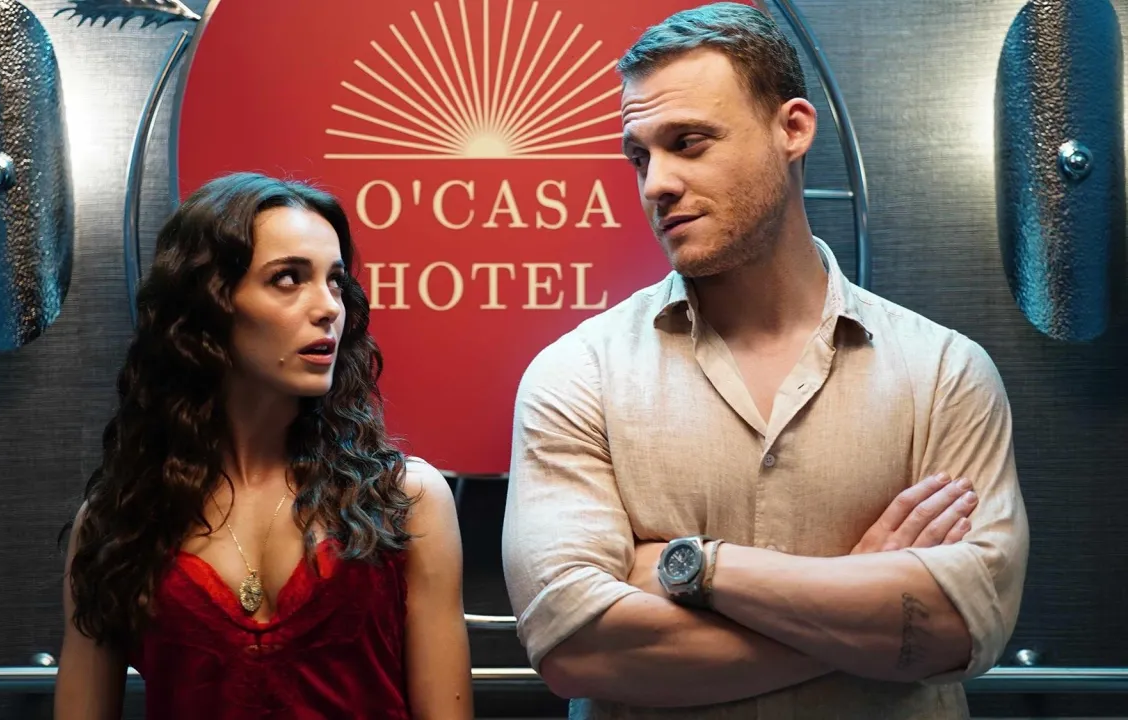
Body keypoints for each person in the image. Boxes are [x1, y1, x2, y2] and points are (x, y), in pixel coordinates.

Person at [502, 4, 1028, 719]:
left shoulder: (944, 374)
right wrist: (858, 597)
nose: (655, 183)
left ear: (793, 129)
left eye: (688, 142)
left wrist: (694, 567)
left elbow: (963, 628)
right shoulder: (577, 376)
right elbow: (576, 650)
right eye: (640, 156)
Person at [55, 173, 474, 720]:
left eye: (335, 282)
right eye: (288, 279)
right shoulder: (120, 519)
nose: (328, 307)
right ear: (210, 303)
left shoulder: (405, 500)